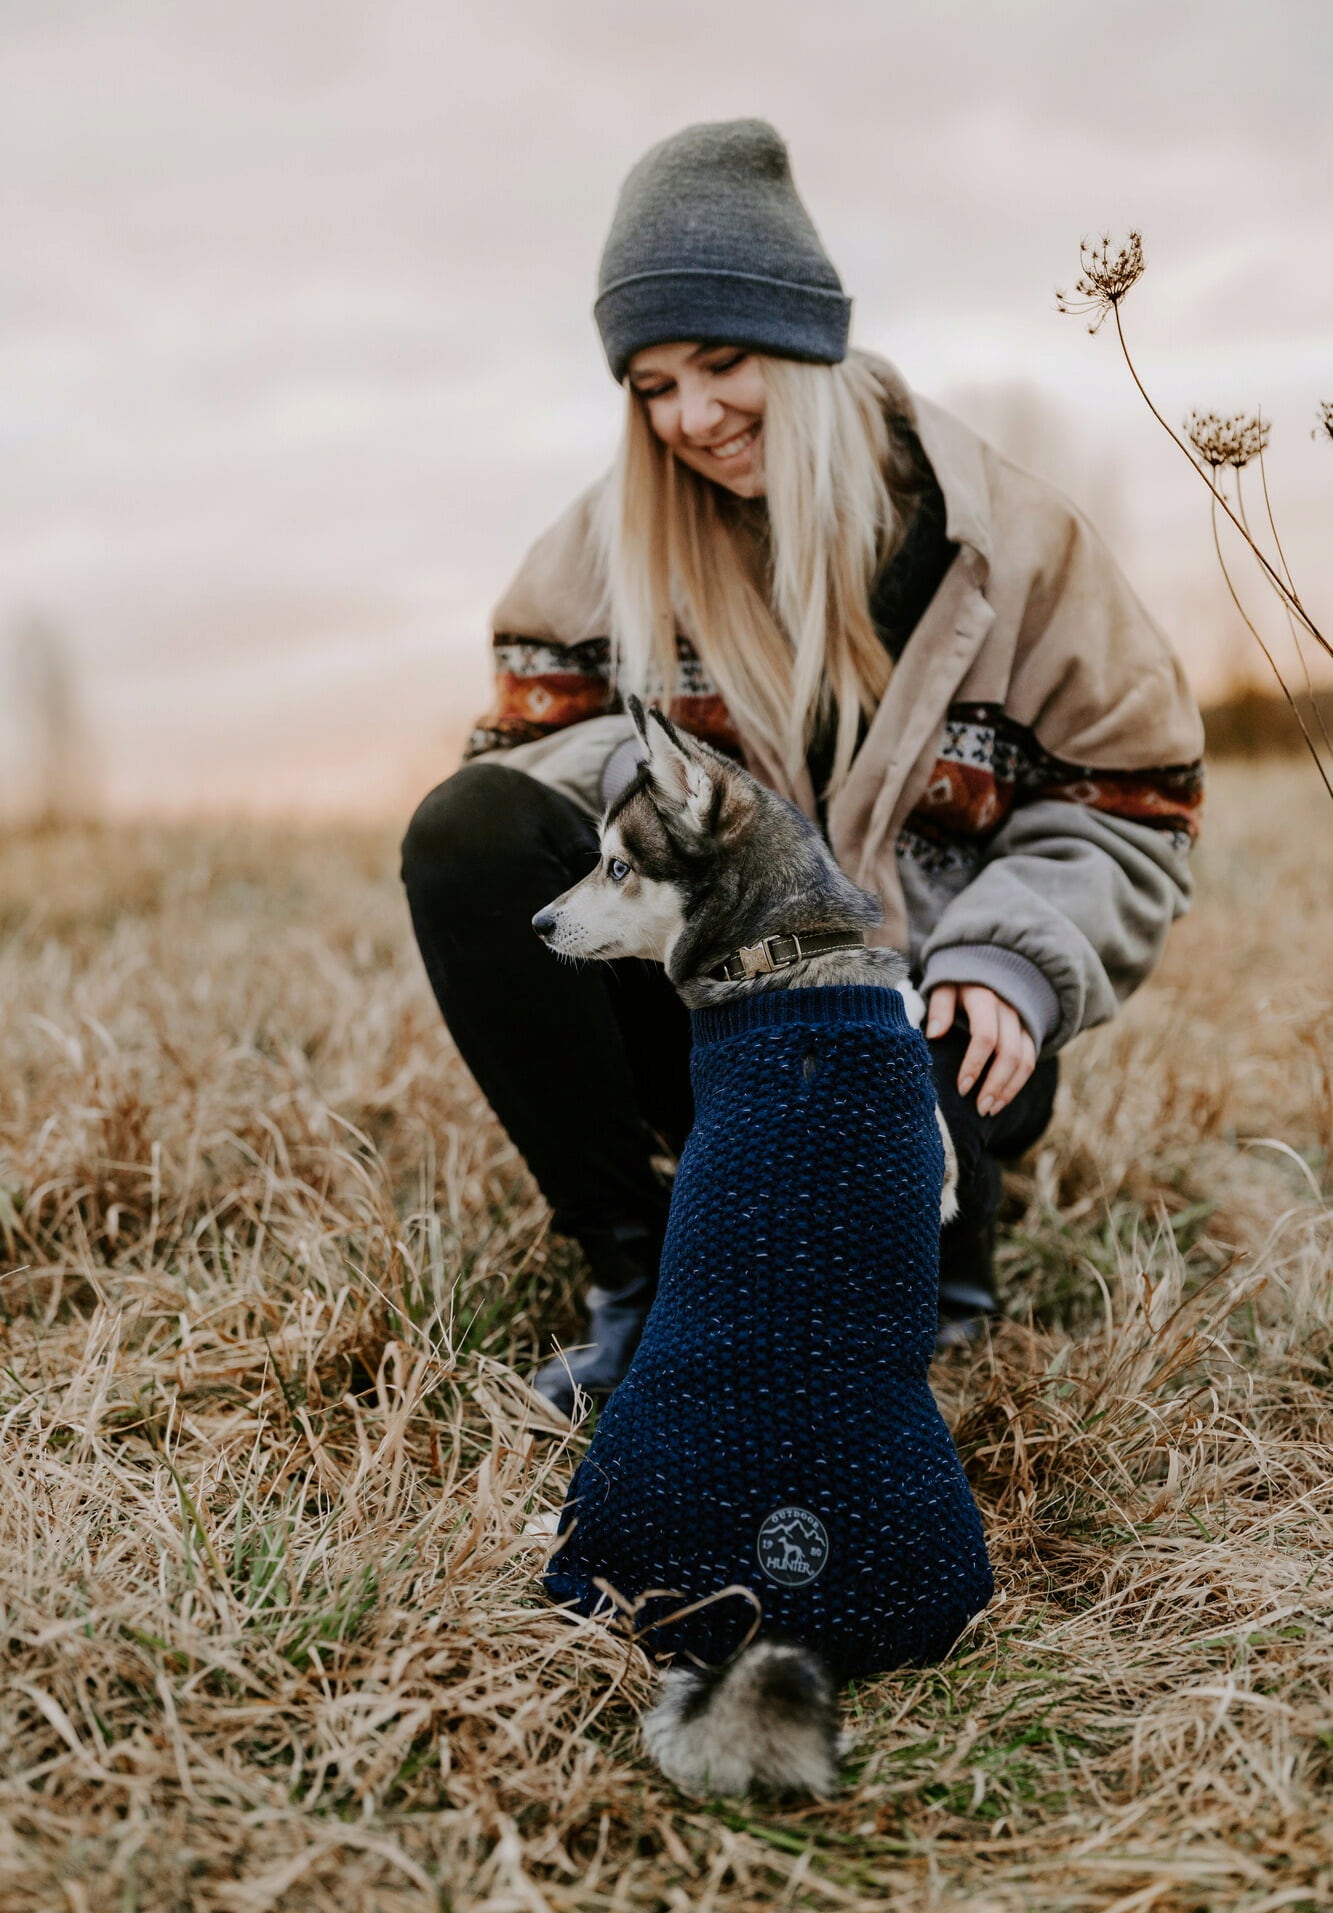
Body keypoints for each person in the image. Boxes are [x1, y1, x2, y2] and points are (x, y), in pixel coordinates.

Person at [401, 119, 1204, 1417]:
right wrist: (677, 794)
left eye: (722, 363)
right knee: (465, 832)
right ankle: (637, 1274)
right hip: (710, 1018)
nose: (691, 416)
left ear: (807, 342)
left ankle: (936, 1258)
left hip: (928, 1017)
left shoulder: (1011, 541)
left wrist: (1010, 959)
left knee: (912, 1111)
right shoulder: (598, 552)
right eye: (652, 385)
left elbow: (1132, 797)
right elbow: (517, 776)